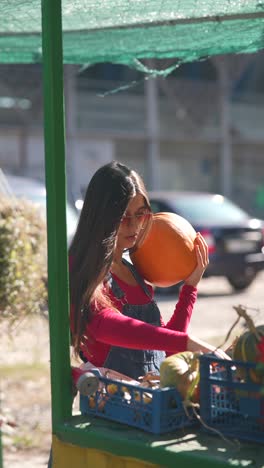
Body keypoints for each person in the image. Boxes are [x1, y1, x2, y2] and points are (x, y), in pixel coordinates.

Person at [69, 161, 229, 380]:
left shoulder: (135, 272)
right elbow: (102, 324)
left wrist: (189, 287)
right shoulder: (81, 266)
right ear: (102, 215)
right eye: (124, 217)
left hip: (150, 402)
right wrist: (187, 342)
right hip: (112, 403)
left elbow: (167, 351)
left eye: (141, 214)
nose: (134, 226)